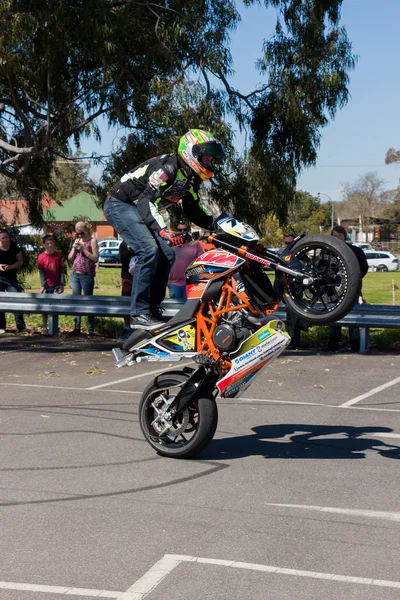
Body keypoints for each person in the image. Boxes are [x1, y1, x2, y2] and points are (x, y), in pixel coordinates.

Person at [103, 129, 225, 330]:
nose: (209, 163)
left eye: (211, 160)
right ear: (191, 153)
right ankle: (139, 314)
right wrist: (164, 232)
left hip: (137, 209)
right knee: (148, 250)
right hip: (121, 204)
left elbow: (193, 209)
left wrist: (218, 225)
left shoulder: (189, 178)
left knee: (167, 255)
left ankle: (152, 309)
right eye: (206, 158)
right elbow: (146, 202)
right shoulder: (167, 169)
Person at [323, 225, 368, 352]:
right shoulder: (326, 251)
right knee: (333, 317)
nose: (337, 238)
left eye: (339, 236)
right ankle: (333, 345)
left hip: (351, 290)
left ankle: (355, 345)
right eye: (334, 236)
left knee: (352, 318)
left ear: (344, 237)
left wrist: (354, 281)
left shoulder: (356, 251)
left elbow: (363, 268)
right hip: (332, 290)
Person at [67, 221, 99, 336]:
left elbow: (95, 258)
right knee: (76, 300)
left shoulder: (92, 241)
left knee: (88, 300)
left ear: (85, 230)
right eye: (77, 231)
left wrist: (83, 250)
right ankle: (76, 327)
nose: (79, 234)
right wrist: (74, 248)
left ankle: (90, 328)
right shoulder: (77, 241)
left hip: (87, 274)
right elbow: (70, 258)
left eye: (80, 231)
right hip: (75, 274)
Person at [0, 228, 28, 334]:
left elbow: (20, 261)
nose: (5, 240)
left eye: (7, 238)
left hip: (11, 277)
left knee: (17, 298)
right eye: (3, 238)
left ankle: (21, 325)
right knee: (0, 301)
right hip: (0, 277)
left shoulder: (14, 247)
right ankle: (1, 326)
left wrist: (11, 266)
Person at [37, 233, 65, 334]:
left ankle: (54, 327)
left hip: (56, 284)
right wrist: (42, 285)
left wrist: (61, 284)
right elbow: (41, 272)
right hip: (46, 285)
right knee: (45, 307)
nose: (50, 245)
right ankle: (45, 326)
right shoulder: (41, 257)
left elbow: (61, 270)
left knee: (55, 307)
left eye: (51, 243)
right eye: (47, 243)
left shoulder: (58, 256)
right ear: (44, 244)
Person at [168, 224, 203, 300]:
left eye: (185, 229)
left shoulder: (196, 244)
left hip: (190, 282)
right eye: (180, 230)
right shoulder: (171, 244)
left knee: (189, 307)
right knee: (175, 308)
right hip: (174, 283)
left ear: (188, 230)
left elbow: (201, 260)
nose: (182, 232)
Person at [118, 241, 136, 340]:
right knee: (126, 303)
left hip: (139, 278)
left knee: (138, 303)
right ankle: (127, 327)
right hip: (127, 278)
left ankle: (137, 328)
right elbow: (123, 260)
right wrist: (129, 250)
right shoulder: (124, 244)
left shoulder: (140, 241)